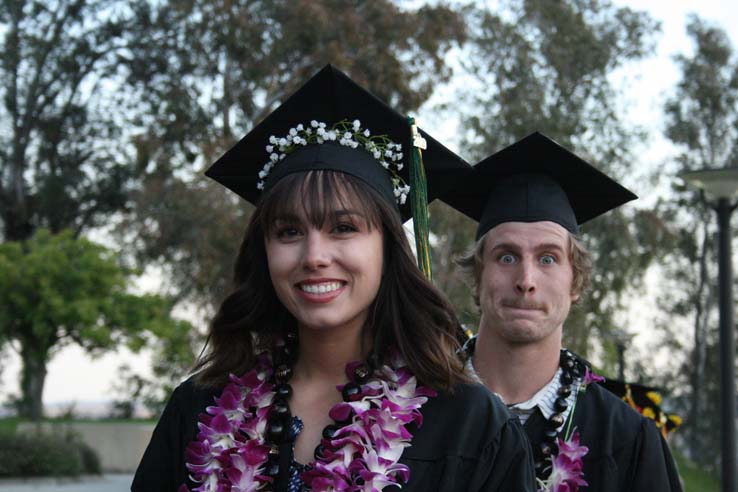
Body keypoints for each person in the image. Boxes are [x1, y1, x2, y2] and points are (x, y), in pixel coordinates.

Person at [131, 65, 535, 492]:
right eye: (289, 232)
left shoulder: (468, 424)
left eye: (343, 228)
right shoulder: (198, 408)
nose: (314, 256)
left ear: (387, 248)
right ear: (264, 251)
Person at [447, 132, 683, 491]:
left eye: (547, 258)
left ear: (576, 283)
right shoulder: (415, 412)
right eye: (506, 256)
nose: (526, 280)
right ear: (478, 277)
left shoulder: (625, 437)